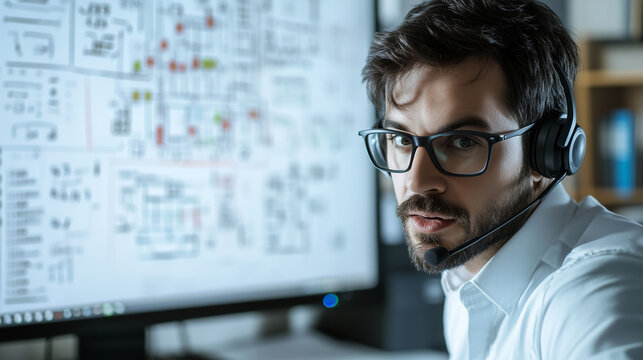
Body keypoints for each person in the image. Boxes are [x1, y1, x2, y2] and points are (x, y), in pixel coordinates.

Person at [358, 1, 643, 359]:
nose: (417, 181)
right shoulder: (465, 279)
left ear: (546, 152)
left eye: (462, 142)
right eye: (401, 139)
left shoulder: (593, 295)